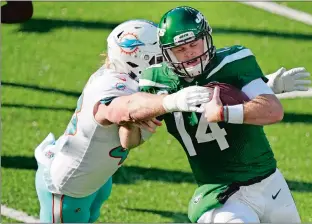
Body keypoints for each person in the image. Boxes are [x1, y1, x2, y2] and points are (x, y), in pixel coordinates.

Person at [138, 6, 311, 223]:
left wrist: (224, 111)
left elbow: (273, 111)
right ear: (166, 52)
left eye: (194, 44)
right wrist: (168, 103)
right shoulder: (156, 81)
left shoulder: (233, 61)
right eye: (180, 49)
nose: (190, 52)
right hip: (220, 193)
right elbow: (130, 136)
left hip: (270, 182)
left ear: (207, 38)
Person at [34, 19, 212, 223]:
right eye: (159, 57)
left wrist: (132, 122)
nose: (166, 62)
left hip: (97, 177)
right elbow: (117, 110)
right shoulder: (111, 84)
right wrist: (168, 102)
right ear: (138, 58)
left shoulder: (131, 84)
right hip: (69, 184)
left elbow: (128, 141)